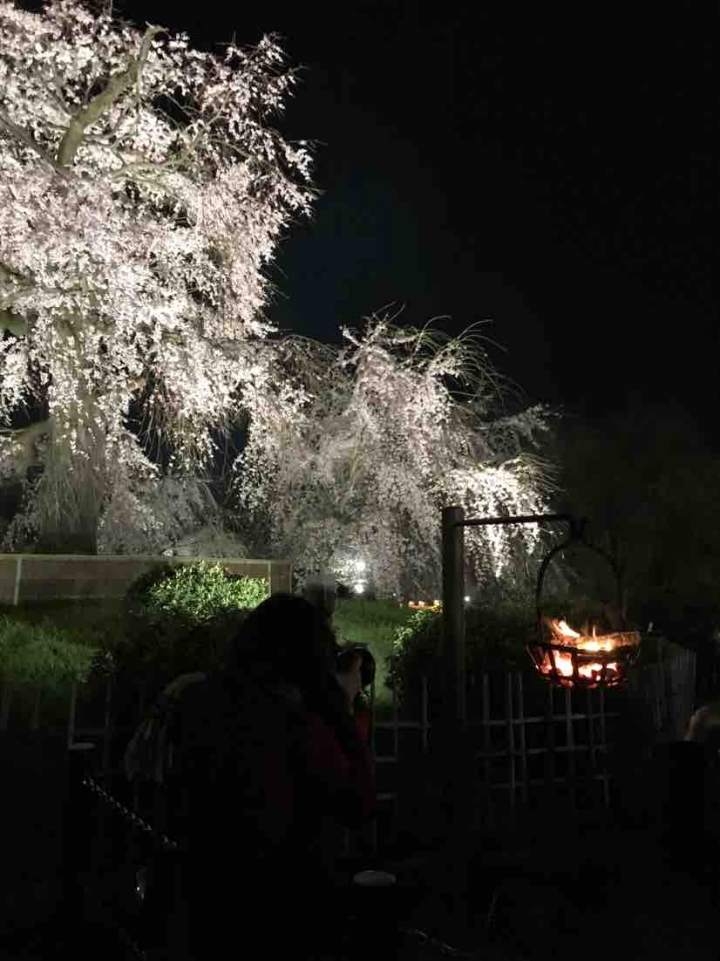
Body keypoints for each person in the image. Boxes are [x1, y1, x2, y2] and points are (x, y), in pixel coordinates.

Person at [162, 593, 376, 960]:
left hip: (206, 900)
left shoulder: (201, 702)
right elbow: (358, 801)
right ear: (309, 659)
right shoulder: (294, 726)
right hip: (287, 909)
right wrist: (338, 706)